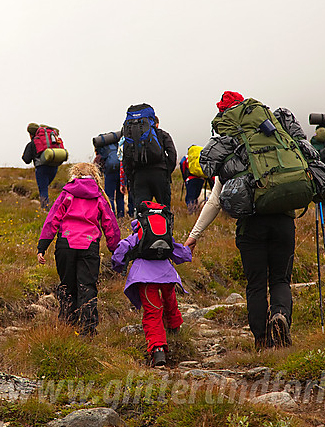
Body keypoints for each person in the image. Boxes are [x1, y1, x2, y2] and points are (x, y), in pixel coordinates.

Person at [183, 91, 298, 350]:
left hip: (251, 225)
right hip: (283, 220)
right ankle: (280, 314)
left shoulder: (228, 147)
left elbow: (214, 201)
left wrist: (194, 236)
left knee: (256, 284)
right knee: (280, 279)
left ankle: (260, 341)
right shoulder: (274, 136)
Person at [36, 162, 121, 336]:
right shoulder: (98, 196)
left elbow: (52, 220)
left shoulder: (67, 193)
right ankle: (88, 329)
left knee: (67, 285)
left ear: (74, 174)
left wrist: (42, 247)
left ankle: (67, 323)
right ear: (95, 175)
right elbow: (110, 224)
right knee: (87, 286)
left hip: (65, 244)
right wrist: (115, 250)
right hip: (89, 245)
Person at [112, 215, 192, 367]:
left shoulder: (137, 236)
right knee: (170, 301)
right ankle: (174, 331)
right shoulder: (165, 236)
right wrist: (188, 252)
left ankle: (158, 349)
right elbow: (181, 253)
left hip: (145, 279)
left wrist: (117, 266)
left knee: (153, 311)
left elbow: (121, 250)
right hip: (167, 277)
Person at [121, 105, 177, 207]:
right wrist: (166, 170)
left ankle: (143, 223)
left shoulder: (130, 137)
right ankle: (167, 223)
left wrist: (131, 178)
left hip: (139, 176)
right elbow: (172, 153)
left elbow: (125, 158)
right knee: (164, 208)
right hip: (160, 174)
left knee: (142, 211)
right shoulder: (162, 134)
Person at [22, 123, 61, 209]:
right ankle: (53, 206)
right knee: (45, 187)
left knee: (43, 190)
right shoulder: (49, 140)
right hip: (54, 167)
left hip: (41, 169)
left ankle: (45, 210)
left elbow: (26, 160)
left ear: (30, 133)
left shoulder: (33, 143)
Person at [94, 140, 125, 217]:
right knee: (120, 196)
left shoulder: (103, 151)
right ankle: (121, 215)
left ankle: (111, 215)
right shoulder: (116, 147)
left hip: (110, 174)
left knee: (109, 196)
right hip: (120, 172)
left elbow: (98, 164)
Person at [179, 149, 206, 214]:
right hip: (201, 178)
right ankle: (196, 211)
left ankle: (191, 212)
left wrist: (185, 177)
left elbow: (182, 163)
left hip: (191, 179)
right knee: (196, 196)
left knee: (190, 197)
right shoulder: (200, 157)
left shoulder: (187, 157)